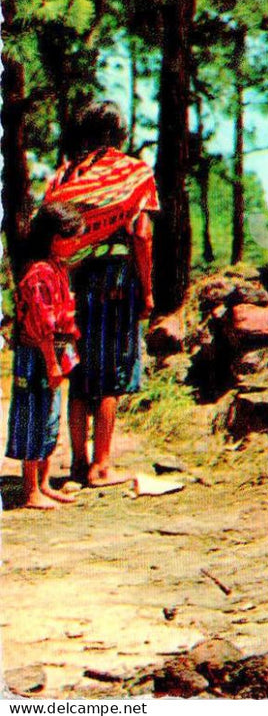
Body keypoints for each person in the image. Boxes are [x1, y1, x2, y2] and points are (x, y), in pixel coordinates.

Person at [43, 101, 158, 487]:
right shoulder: (133, 173)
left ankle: (77, 464)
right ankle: (101, 467)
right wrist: (147, 291)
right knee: (113, 375)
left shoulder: (65, 176)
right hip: (116, 280)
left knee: (79, 372)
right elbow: (141, 234)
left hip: (72, 282)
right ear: (120, 133)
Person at [5, 202, 86, 509]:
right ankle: (29, 490)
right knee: (33, 415)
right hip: (38, 354)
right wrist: (52, 363)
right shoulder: (39, 273)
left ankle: (44, 482)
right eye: (72, 238)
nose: (76, 243)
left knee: (50, 415)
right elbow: (42, 324)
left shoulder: (56, 268)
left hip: (53, 352)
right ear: (55, 238)